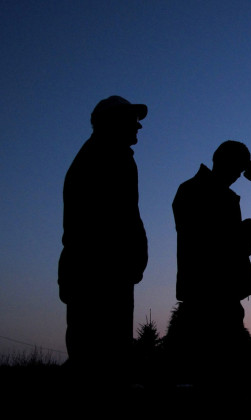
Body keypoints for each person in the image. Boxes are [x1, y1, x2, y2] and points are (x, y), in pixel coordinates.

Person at [58, 95, 149, 388]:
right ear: (114, 122)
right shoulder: (105, 157)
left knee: (104, 357)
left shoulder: (110, 155)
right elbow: (110, 222)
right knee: (98, 360)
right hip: (99, 275)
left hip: (106, 272)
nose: (138, 127)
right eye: (133, 120)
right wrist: (129, 257)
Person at [170, 140, 251, 390]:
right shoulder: (199, 191)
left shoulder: (210, 192)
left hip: (217, 294)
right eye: (237, 167)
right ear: (222, 161)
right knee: (218, 376)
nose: (237, 175)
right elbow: (208, 246)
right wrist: (242, 237)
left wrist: (243, 238)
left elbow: (226, 245)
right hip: (210, 296)